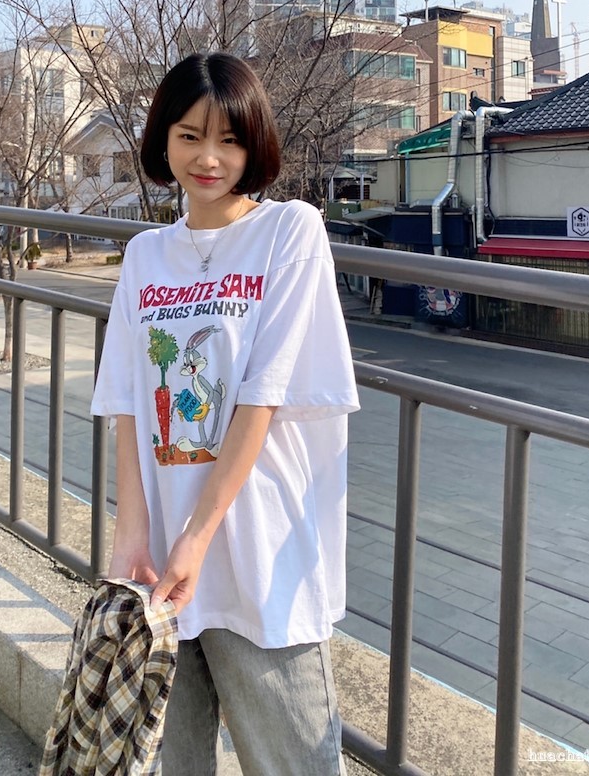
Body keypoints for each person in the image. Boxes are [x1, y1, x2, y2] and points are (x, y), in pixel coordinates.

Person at [91, 52, 360, 776]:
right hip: (163, 563)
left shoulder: (290, 232)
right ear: (163, 140)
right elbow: (128, 403)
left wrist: (197, 537)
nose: (208, 159)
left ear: (254, 145)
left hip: (258, 549)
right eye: (189, 136)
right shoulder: (146, 255)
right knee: (173, 760)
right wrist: (133, 534)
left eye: (230, 140)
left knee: (295, 760)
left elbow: (261, 397)